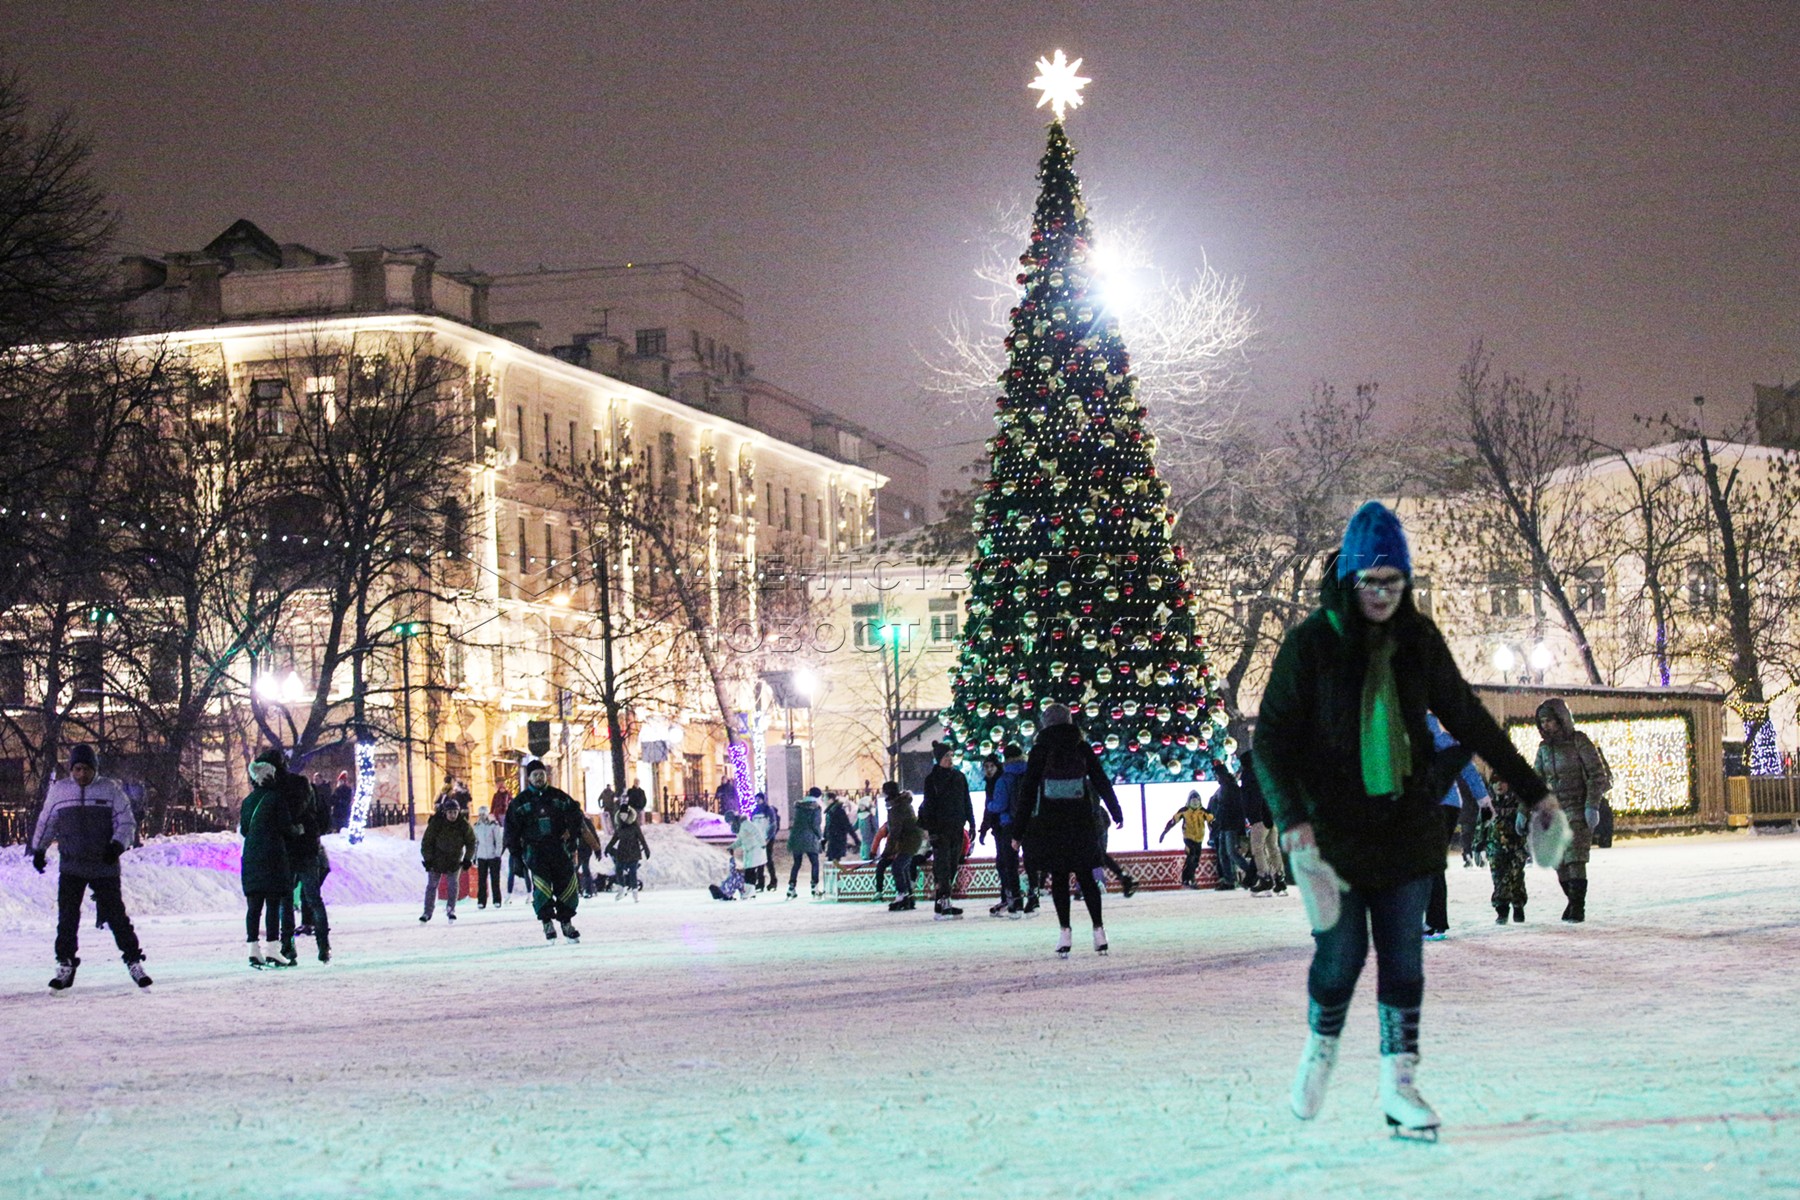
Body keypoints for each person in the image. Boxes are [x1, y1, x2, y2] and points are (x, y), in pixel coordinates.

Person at [1254, 500, 1551, 1138]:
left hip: (1406, 826)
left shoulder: (1418, 640)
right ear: (1351, 578)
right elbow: (1271, 738)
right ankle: (1321, 1047)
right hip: (1332, 836)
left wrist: (1534, 792)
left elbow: (1467, 717)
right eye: (1372, 582)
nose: (1383, 595)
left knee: (1404, 959)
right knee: (1341, 957)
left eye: (1395, 582)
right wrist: (1292, 818)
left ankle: (1400, 1085)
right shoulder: (1311, 645)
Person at [30, 743, 151, 990]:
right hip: (72, 866)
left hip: (104, 865)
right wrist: (39, 850)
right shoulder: (60, 791)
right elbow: (47, 821)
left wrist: (117, 846)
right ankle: (65, 964)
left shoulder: (110, 790)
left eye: (85, 769)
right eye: (76, 769)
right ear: (71, 769)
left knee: (117, 916)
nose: (81, 774)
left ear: (94, 769)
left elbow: (126, 822)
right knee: (67, 918)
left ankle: (133, 960)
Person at [1019, 704, 1123, 956]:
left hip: (1052, 821)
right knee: (1086, 878)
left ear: (1045, 724)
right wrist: (1115, 808)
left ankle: (1065, 933)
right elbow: (1100, 779)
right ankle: (1099, 931)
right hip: (1081, 819)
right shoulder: (1081, 746)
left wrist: (1018, 829)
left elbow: (1028, 790)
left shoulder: (1040, 750)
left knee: (1060, 879)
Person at [506, 758, 604, 939]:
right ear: (529, 778)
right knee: (542, 888)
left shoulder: (558, 796)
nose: (539, 778)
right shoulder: (520, 803)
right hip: (535, 852)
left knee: (567, 884)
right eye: (535, 775)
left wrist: (572, 835)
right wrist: (516, 856)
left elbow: (576, 814)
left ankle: (566, 922)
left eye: (541, 775)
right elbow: (511, 831)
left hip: (559, 849)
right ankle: (547, 923)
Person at [1533, 698, 1610, 923]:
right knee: (1559, 861)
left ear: (1561, 720)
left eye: (1549, 720)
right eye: (1542, 721)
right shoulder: (1544, 749)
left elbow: (1597, 775)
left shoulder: (1579, 741)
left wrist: (1592, 805)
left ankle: (1578, 906)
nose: (1546, 725)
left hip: (1577, 807)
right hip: (1553, 812)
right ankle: (1571, 901)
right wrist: (1524, 809)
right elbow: (1536, 780)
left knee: (1575, 858)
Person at [1423, 715, 1489, 939]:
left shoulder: (1437, 740)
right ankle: (1430, 920)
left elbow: (1467, 768)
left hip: (1442, 805)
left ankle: (1435, 922)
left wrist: (1483, 800)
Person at [240, 750, 300, 969]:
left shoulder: (248, 801)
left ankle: (253, 950)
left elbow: (245, 829)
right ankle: (273, 950)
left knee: (254, 906)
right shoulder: (276, 798)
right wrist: (298, 829)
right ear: (271, 776)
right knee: (273, 904)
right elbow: (286, 827)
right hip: (273, 856)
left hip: (252, 857)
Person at [919, 742, 976, 920]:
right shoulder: (932, 779)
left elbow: (966, 800)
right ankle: (944, 902)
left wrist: (971, 822)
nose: (950, 759)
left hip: (956, 827)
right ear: (939, 759)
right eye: (946, 757)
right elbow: (929, 805)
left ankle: (942, 902)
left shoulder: (959, 777)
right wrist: (931, 829)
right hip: (940, 828)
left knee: (952, 865)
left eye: (951, 756)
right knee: (942, 866)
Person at [288, 767, 333, 961]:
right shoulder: (311, 811)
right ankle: (323, 945)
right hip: (310, 855)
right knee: (314, 898)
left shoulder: (288, 808)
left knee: (286, 900)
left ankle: (287, 946)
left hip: (292, 855)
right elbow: (322, 827)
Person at [981, 746, 1027, 917]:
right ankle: (1030, 898)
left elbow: (999, 805)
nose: (988, 770)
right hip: (1028, 823)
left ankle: (1015, 901)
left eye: (990, 766)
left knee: (1008, 864)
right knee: (1025, 862)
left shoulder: (1004, 779)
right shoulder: (1029, 774)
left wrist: (990, 805)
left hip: (1007, 825)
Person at [419, 795, 475, 923]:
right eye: (450, 812)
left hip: (454, 860)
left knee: (453, 885)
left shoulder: (463, 825)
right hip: (436, 859)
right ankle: (427, 912)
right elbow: (426, 842)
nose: (453, 815)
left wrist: (467, 858)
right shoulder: (437, 823)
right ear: (445, 812)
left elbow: (471, 842)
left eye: (455, 812)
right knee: (432, 886)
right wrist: (428, 859)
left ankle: (451, 909)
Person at [1240, 749, 1287, 896]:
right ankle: (1280, 879)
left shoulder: (1249, 776)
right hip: (1271, 816)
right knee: (1273, 847)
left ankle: (1265, 878)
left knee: (1258, 849)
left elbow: (1254, 797)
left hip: (1259, 818)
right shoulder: (1264, 772)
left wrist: (1257, 815)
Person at [1483, 776, 1529, 924]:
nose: (1499, 785)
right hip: (1495, 847)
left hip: (1516, 847)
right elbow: (1482, 823)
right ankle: (1501, 910)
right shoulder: (1488, 802)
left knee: (1515, 878)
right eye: (1495, 782)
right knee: (1498, 879)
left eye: (1502, 781)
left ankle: (1518, 905)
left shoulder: (1518, 802)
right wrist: (1478, 844)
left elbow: (1528, 822)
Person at [1208, 756, 1253, 890]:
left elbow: (1230, 808)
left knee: (1231, 852)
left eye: (1216, 775)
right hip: (1224, 825)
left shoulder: (1229, 788)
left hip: (1230, 825)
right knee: (1223, 853)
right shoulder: (1225, 787)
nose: (1215, 778)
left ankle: (1252, 873)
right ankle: (1229, 880)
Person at [882, 787, 925, 912]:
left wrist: (888, 850)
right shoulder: (901, 804)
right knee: (903, 867)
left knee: (897, 867)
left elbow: (895, 831)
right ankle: (908, 896)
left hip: (910, 840)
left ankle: (902, 895)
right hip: (911, 839)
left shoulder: (897, 808)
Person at [1158, 790, 1211, 890]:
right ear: (1189, 801)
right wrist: (1164, 832)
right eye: (1193, 801)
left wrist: (1214, 833)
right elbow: (1173, 821)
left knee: (1196, 860)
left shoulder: (1203, 811)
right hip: (1188, 838)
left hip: (1199, 839)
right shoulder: (1184, 811)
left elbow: (1212, 821)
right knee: (1191, 856)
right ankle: (1187, 879)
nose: (1195, 803)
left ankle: (1189, 878)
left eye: (1197, 801)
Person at [606, 803, 650, 900]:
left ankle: (635, 892)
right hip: (622, 852)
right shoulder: (620, 826)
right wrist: (608, 847)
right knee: (618, 869)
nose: (623, 817)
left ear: (628, 814)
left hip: (633, 851)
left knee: (633, 872)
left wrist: (646, 849)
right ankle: (622, 888)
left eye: (624, 815)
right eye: (621, 815)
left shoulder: (634, 826)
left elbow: (641, 838)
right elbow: (615, 838)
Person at [786, 787, 824, 898]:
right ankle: (814, 887)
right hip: (809, 838)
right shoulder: (816, 808)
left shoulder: (799, 806)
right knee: (815, 862)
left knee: (796, 863)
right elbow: (815, 824)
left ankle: (791, 887)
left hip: (796, 837)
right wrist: (820, 836)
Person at [732, 803, 771, 895]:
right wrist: (732, 846)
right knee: (749, 871)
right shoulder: (739, 826)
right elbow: (741, 839)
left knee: (751, 871)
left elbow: (756, 832)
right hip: (749, 850)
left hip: (754, 850)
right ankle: (750, 891)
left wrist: (762, 843)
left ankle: (750, 891)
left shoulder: (746, 824)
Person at [473, 804, 505, 909]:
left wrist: (497, 854)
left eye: (484, 814)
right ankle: (481, 901)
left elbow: (498, 840)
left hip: (492, 856)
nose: (482, 816)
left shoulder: (493, 825)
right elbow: (475, 843)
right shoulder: (476, 826)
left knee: (495, 879)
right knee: (481, 880)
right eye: (480, 814)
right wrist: (474, 856)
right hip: (481, 856)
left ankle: (497, 899)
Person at [822, 789, 860, 869]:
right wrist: (824, 839)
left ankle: (838, 876)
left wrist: (856, 839)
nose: (823, 801)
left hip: (838, 840)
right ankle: (835, 876)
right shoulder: (831, 811)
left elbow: (847, 826)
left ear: (831, 800)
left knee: (834, 860)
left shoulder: (838, 811)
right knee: (832, 861)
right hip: (833, 840)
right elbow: (828, 827)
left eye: (825, 799)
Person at [752, 791, 782, 890]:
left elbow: (773, 825)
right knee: (759, 860)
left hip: (767, 838)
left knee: (768, 859)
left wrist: (768, 838)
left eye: (759, 799)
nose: (757, 801)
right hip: (758, 838)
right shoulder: (755, 810)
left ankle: (773, 881)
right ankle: (760, 882)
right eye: (756, 799)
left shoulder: (768, 810)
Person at [854, 795, 878, 860]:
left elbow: (875, 825)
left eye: (862, 806)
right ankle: (864, 856)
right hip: (864, 835)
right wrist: (851, 830)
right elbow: (856, 825)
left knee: (869, 845)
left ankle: (868, 857)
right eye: (860, 806)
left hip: (870, 835)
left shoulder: (870, 816)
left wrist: (877, 832)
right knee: (864, 845)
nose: (860, 807)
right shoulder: (859, 816)